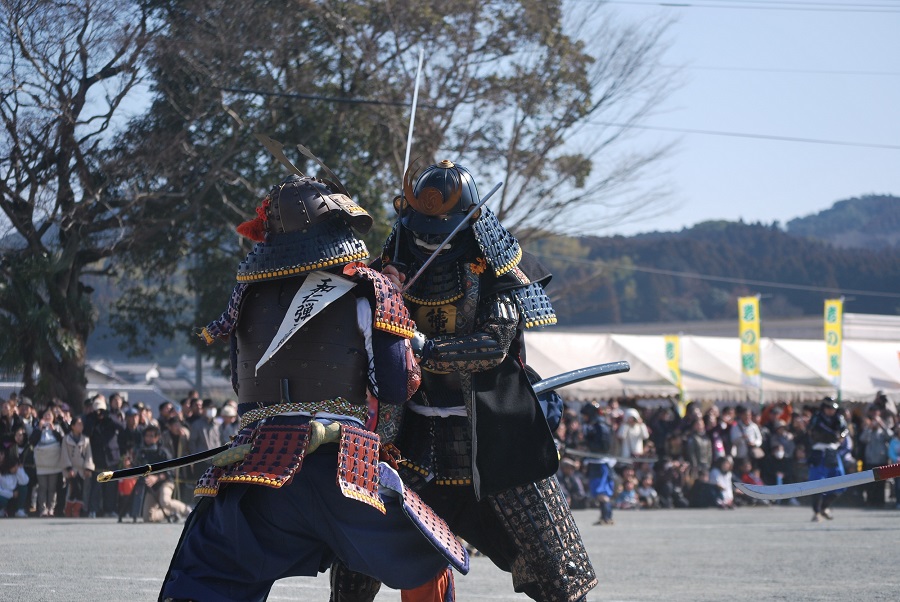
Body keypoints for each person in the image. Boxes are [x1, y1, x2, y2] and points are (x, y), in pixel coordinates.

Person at [159, 171, 459, 601]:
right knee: (427, 556)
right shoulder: (370, 290)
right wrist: (398, 317)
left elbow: (238, 381)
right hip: (340, 468)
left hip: (255, 465)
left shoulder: (244, 297)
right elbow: (395, 386)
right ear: (334, 228)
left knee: (207, 570)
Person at [334, 160, 595, 602]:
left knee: (556, 565)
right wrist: (382, 296)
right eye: (421, 224)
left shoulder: (498, 268)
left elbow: (494, 343)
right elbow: (353, 335)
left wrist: (426, 348)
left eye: (442, 225)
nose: (430, 236)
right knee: (358, 555)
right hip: (410, 435)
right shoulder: (391, 267)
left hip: (494, 437)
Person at [132, 425, 192, 523]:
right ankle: (170, 512)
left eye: (151, 436)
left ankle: (188, 511)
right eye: (146, 436)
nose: (148, 438)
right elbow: (137, 468)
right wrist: (129, 465)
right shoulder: (142, 452)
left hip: (166, 482)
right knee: (148, 518)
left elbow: (171, 471)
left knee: (165, 501)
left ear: (157, 438)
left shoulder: (163, 452)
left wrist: (156, 478)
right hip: (151, 486)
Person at [807, 397, 849, 522]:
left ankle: (824, 507)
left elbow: (844, 430)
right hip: (818, 452)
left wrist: (840, 436)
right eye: (828, 408)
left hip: (832, 451)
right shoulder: (817, 418)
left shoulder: (838, 418)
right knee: (816, 483)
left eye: (832, 408)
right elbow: (811, 431)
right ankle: (816, 511)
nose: (831, 411)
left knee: (840, 482)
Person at [30, 407, 64, 516]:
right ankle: (42, 509)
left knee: (52, 487)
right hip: (42, 463)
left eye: (50, 415)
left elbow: (61, 440)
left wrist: (53, 430)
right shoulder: (37, 428)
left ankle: (51, 508)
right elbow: (32, 441)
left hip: (54, 462)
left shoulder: (57, 428)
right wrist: (40, 429)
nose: (47, 417)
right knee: (43, 487)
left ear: (54, 417)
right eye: (46, 415)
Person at [61, 415, 94, 517]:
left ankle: (77, 510)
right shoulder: (66, 439)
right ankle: (68, 509)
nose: (81, 426)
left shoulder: (86, 439)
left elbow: (89, 454)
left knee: (80, 490)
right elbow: (64, 454)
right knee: (72, 490)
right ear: (73, 426)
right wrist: (69, 468)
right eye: (78, 424)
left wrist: (88, 468)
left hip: (82, 470)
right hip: (71, 469)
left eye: (82, 424)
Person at [859, 406, 892, 507]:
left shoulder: (883, 431)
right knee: (870, 483)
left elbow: (890, 436)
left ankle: (880, 502)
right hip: (870, 461)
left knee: (881, 483)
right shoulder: (869, 431)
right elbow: (862, 439)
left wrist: (882, 424)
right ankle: (870, 501)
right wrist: (869, 427)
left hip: (881, 460)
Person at [0, 445, 29, 517]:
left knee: (24, 487)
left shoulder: (12, 462)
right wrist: (11, 494)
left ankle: (20, 510)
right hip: (4, 495)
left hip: (15, 494)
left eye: (1, 454)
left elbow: (25, 481)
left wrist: (18, 470)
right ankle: (2, 509)